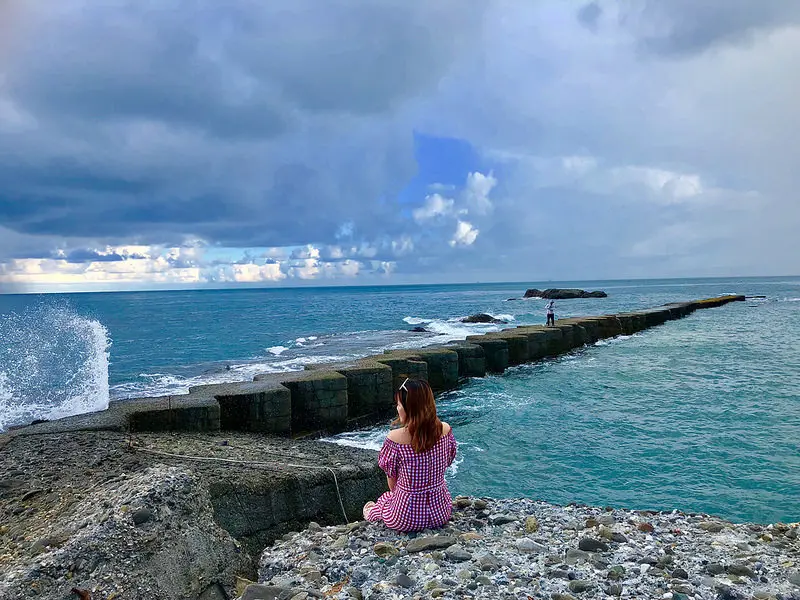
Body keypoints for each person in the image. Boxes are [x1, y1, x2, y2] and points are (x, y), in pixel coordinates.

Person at [363, 378, 457, 532]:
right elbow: (448, 460)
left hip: (405, 519)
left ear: (409, 408)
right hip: (440, 512)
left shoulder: (394, 438)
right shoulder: (445, 430)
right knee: (389, 499)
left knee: (385, 500)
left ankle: (370, 512)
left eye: (399, 404)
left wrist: (401, 496)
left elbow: (392, 480)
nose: (397, 408)